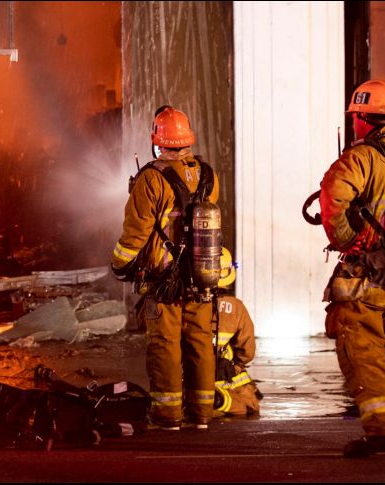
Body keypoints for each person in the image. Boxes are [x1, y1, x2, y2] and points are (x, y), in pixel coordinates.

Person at [318, 79, 385, 458]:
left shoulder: (362, 156)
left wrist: (347, 240)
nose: (353, 123)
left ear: (364, 117)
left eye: (355, 116)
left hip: (369, 278)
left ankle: (384, 431)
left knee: (361, 350)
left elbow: (332, 194)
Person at [111, 106, 220, 430]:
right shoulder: (207, 174)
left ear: (156, 140)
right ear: (188, 138)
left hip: (164, 278)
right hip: (201, 274)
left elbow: (136, 232)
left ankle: (168, 415)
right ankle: (201, 413)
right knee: (200, 342)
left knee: (166, 345)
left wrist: (119, 264)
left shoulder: (151, 178)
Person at [210, 248, 262, 418]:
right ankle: (221, 401)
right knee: (251, 406)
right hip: (224, 375)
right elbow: (247, 348)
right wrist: (238, 365)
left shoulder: (190, 304)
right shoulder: (237, 307)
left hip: (191, 371)